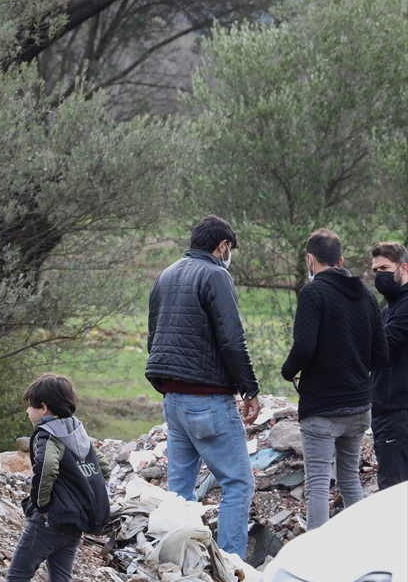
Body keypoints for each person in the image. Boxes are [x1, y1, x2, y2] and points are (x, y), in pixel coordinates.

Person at [146, 215, 260, 557]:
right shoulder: (215, 275)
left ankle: (178, 564)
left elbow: (154, 337)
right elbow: (231, 338)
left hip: (173, 401)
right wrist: (249, 388)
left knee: (179, 492)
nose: (230, 255)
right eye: (231, 249)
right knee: (238, 484)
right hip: (207, 400)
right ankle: (232, 569)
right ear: (222, 245)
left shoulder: (164, 275)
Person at [281, 230, 387, 529]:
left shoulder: (312, 293)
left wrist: (288, 372)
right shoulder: (366, 295)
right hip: (358, 406)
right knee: (350, 479)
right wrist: (352, 366)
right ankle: (360, 552)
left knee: (317, 484)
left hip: (322, 408)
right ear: (340, 261)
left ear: (310, 259)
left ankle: (316, 563)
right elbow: (380, 353)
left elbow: (303, 346)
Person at [8, 374, 111, 582]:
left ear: (43, 407)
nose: (28, 413)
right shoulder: (77, 430)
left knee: (16, 579)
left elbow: (47, 467)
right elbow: (102, 468)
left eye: (29, 407)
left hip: (50, 520)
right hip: (75, 522)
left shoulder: (46, 433)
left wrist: (41, 506)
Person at [370, 241, 408, 489]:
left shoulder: (405, 307)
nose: (379, 275)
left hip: (398, 415)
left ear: (403, 268)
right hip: (388, 414)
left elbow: (382, 347)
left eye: (384, 267)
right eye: (375, 270)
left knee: (392, 495)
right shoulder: (388, 309)